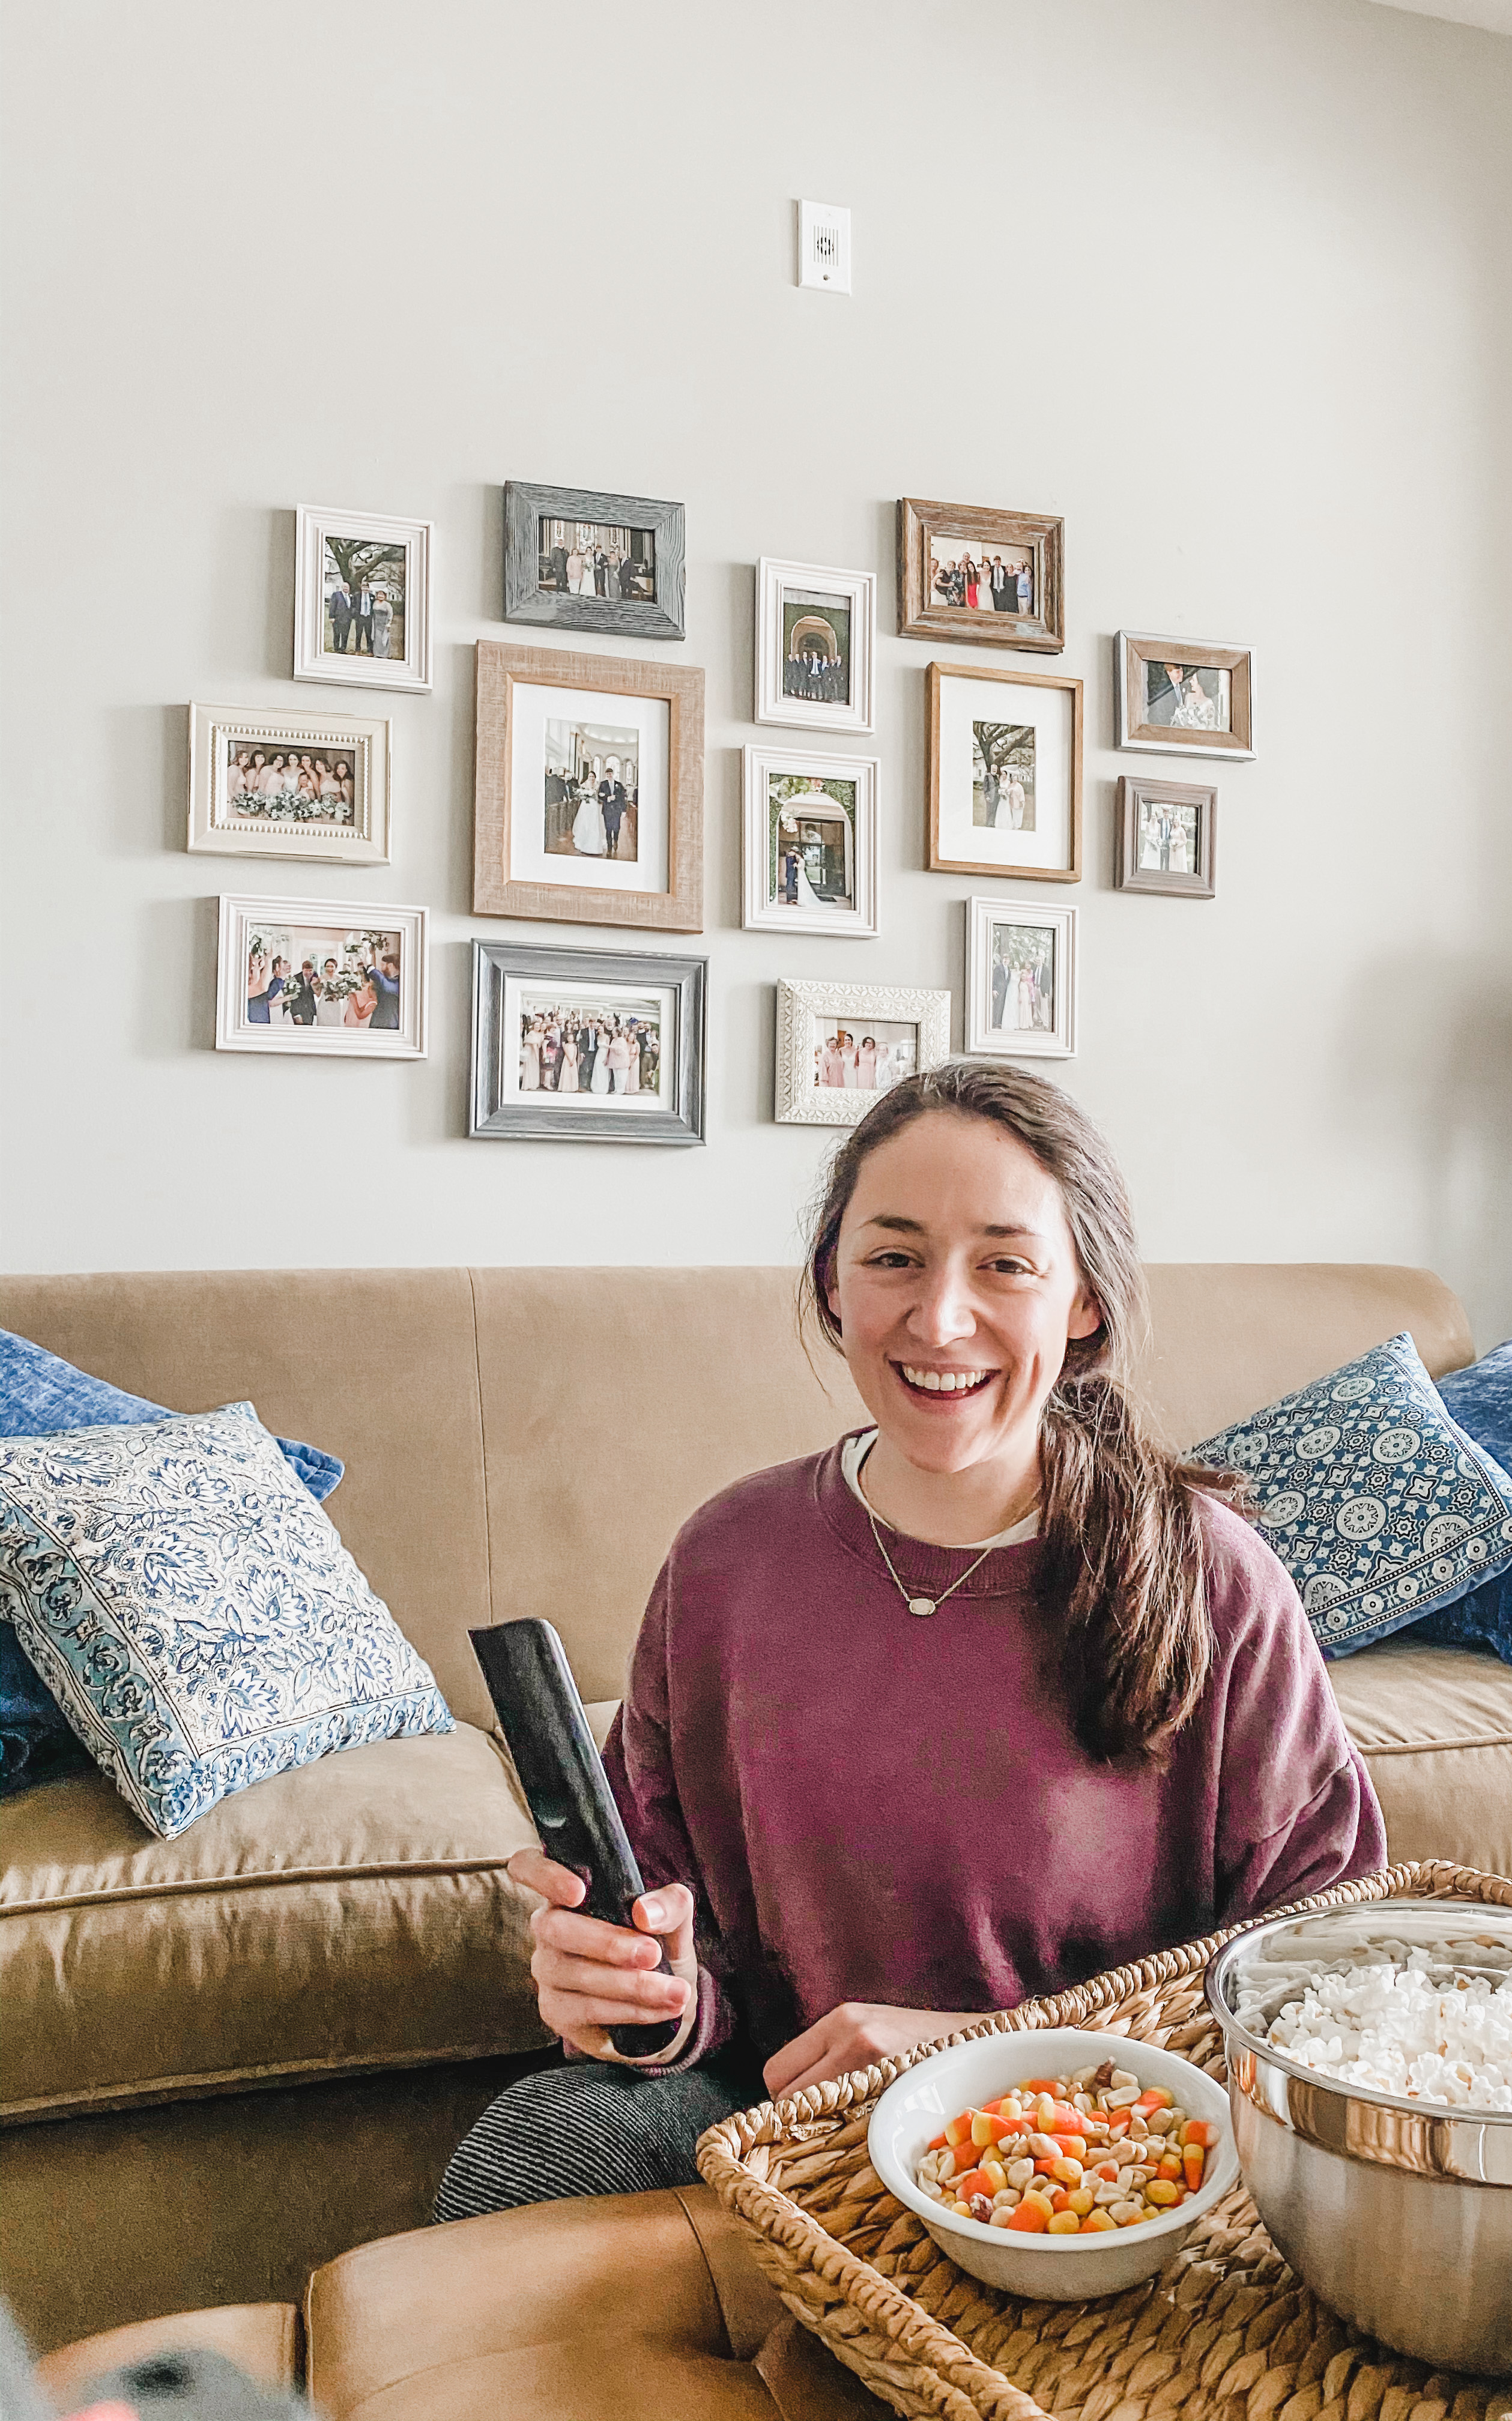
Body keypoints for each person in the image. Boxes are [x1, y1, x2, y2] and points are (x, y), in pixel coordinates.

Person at [434, 1063, 1386, 2220]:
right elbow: (687, 1940)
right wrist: (640, 1989)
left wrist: (987, 2054)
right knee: (530, 2150)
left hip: (1098, 2137)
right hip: (779, 2113)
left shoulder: (1212, 1577)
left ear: (1083, 1298)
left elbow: (1314, 1971)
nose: (937, 1320)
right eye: (893, 1257)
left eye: (1003, 1264)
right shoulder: (724, 1557)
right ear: (832, 1282)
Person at [571, 765, 606, 857]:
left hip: (594, 805)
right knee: (585, 822)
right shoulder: (584, 785)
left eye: (593, 776)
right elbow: (581, 795)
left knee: (594, 823)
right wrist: (584, 795)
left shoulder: (598, 785)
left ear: (595, 777)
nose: (591, 778)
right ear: (588, 777)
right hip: (586, 805)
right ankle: (584, 842)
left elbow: (599, 795)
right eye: (590, 776)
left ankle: (595, 844)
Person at [369, 585, 394, 660]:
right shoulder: (375, 603)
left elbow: (391, 614)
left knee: (384, 638)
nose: (380, 596)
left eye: (382, 595)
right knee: (377, 638)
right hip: (376, 623)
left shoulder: (387, 604)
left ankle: (385, 654)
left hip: (384, 623)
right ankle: (377, 653)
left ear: (385, 596)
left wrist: (389, 623)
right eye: (379, 595)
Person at [328, 581, 354, 652]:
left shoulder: (351, 597)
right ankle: (336, 649)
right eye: (344, 587)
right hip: (337, 618)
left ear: (349, 588)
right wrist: (331, 617)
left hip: (347, 619)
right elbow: (332, 606)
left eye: (347, 587)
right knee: (337, 634)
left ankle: (343, 648)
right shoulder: (336, 595)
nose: (346, 588)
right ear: (342, 587)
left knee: (345, 634)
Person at [352, 579, 375, 655]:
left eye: (367, 587)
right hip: (360, 617)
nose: (365, 589)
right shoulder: (357, 596)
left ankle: (370, 651)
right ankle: (358, 650)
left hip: (368, 618)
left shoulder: (372, 597)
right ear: (361, 588)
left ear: (369, 588)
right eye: (364, 587)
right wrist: (356, 616)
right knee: (359, 634)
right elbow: (353, 606)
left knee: (369, 635)